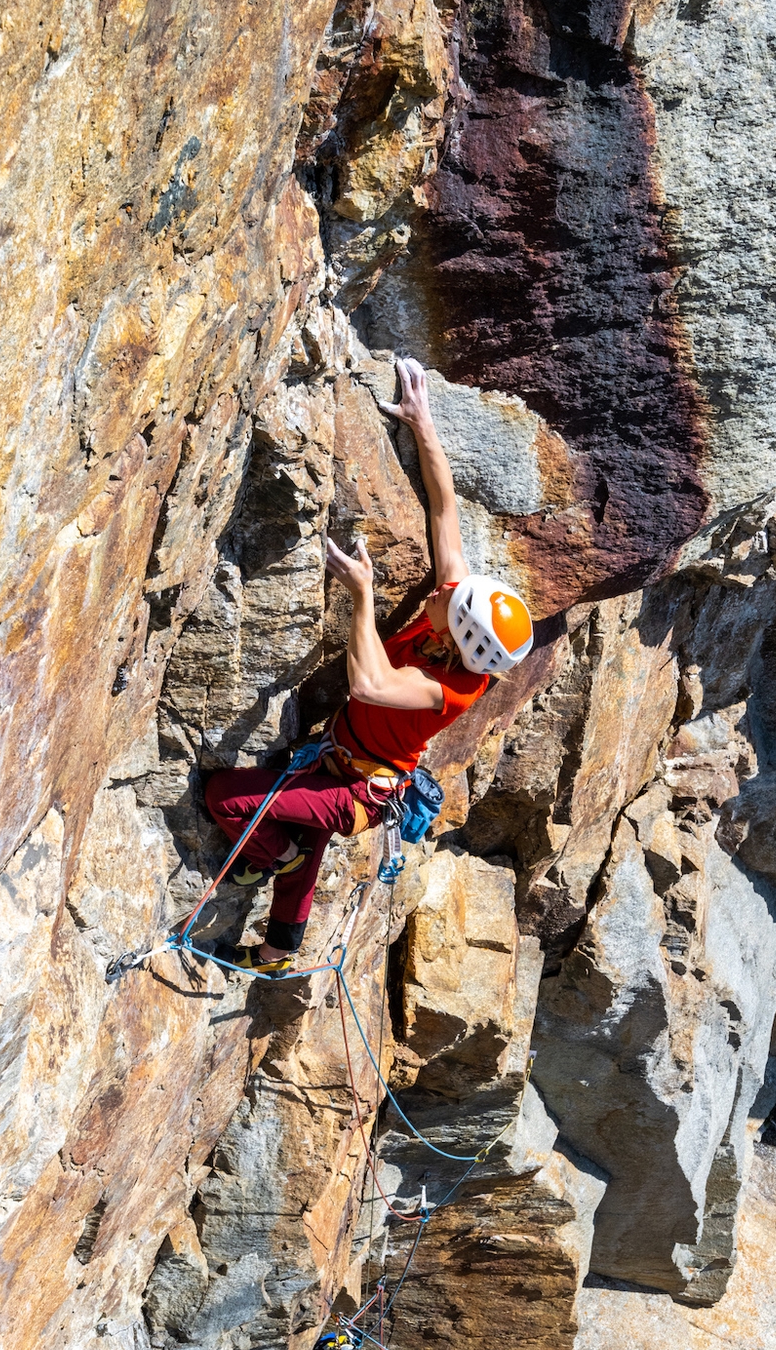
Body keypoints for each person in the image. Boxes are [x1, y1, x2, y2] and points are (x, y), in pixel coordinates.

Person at [203, 357, 535, 971]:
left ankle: (272, 860)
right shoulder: (453, 626)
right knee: (303, 831)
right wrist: (422, 421)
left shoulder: (449, 690)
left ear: (460, 636)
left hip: (360, 787)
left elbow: (368, 683)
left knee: (227, 798)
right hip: (342, 759)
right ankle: (279, 949)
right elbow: (444, 512)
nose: (442, 589)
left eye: (450, 601)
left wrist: (362, 590)